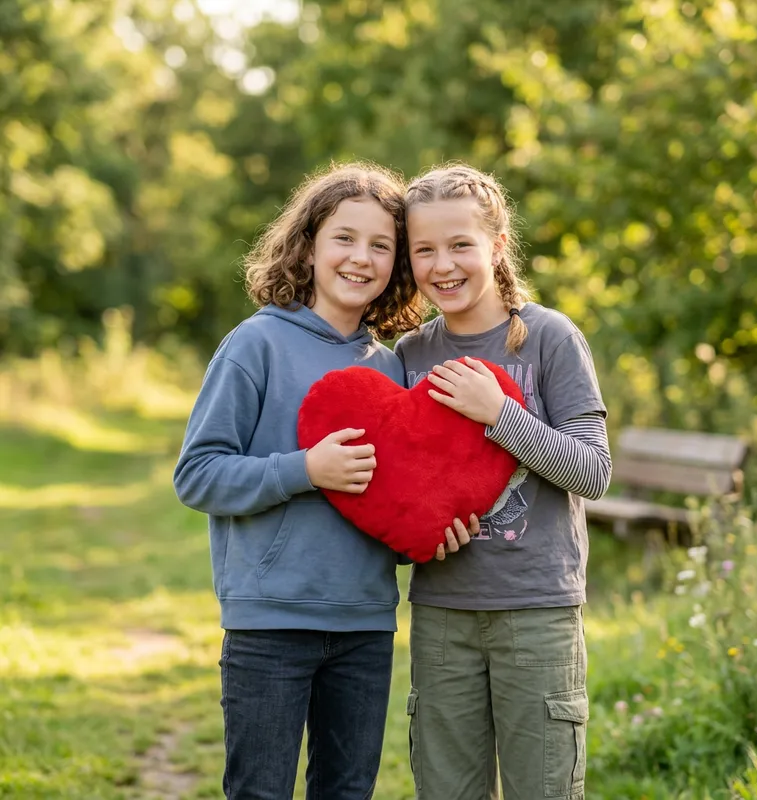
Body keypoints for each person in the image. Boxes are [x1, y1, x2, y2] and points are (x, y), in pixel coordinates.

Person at [174, 163, 437, 800]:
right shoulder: (255, 344)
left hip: (366, 624)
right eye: (344, 238)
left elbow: (395, 497)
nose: (361, 258)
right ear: (310, 244)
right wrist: (305, 471)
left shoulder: (392, 369)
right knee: (259, 791)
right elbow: (198, 474)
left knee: (346, 791)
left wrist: (430, 530)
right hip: (269, 621)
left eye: (382, 245)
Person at [394, 164, 613, 800]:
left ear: (496, 244)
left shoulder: (549, 339)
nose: (444, 265)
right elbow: (404, 488)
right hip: (443, 614)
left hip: (536, 611)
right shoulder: (410, 356)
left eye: (460, 244)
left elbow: (593, 471)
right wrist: (417, 535)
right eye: (424, 250)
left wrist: (500, 415)